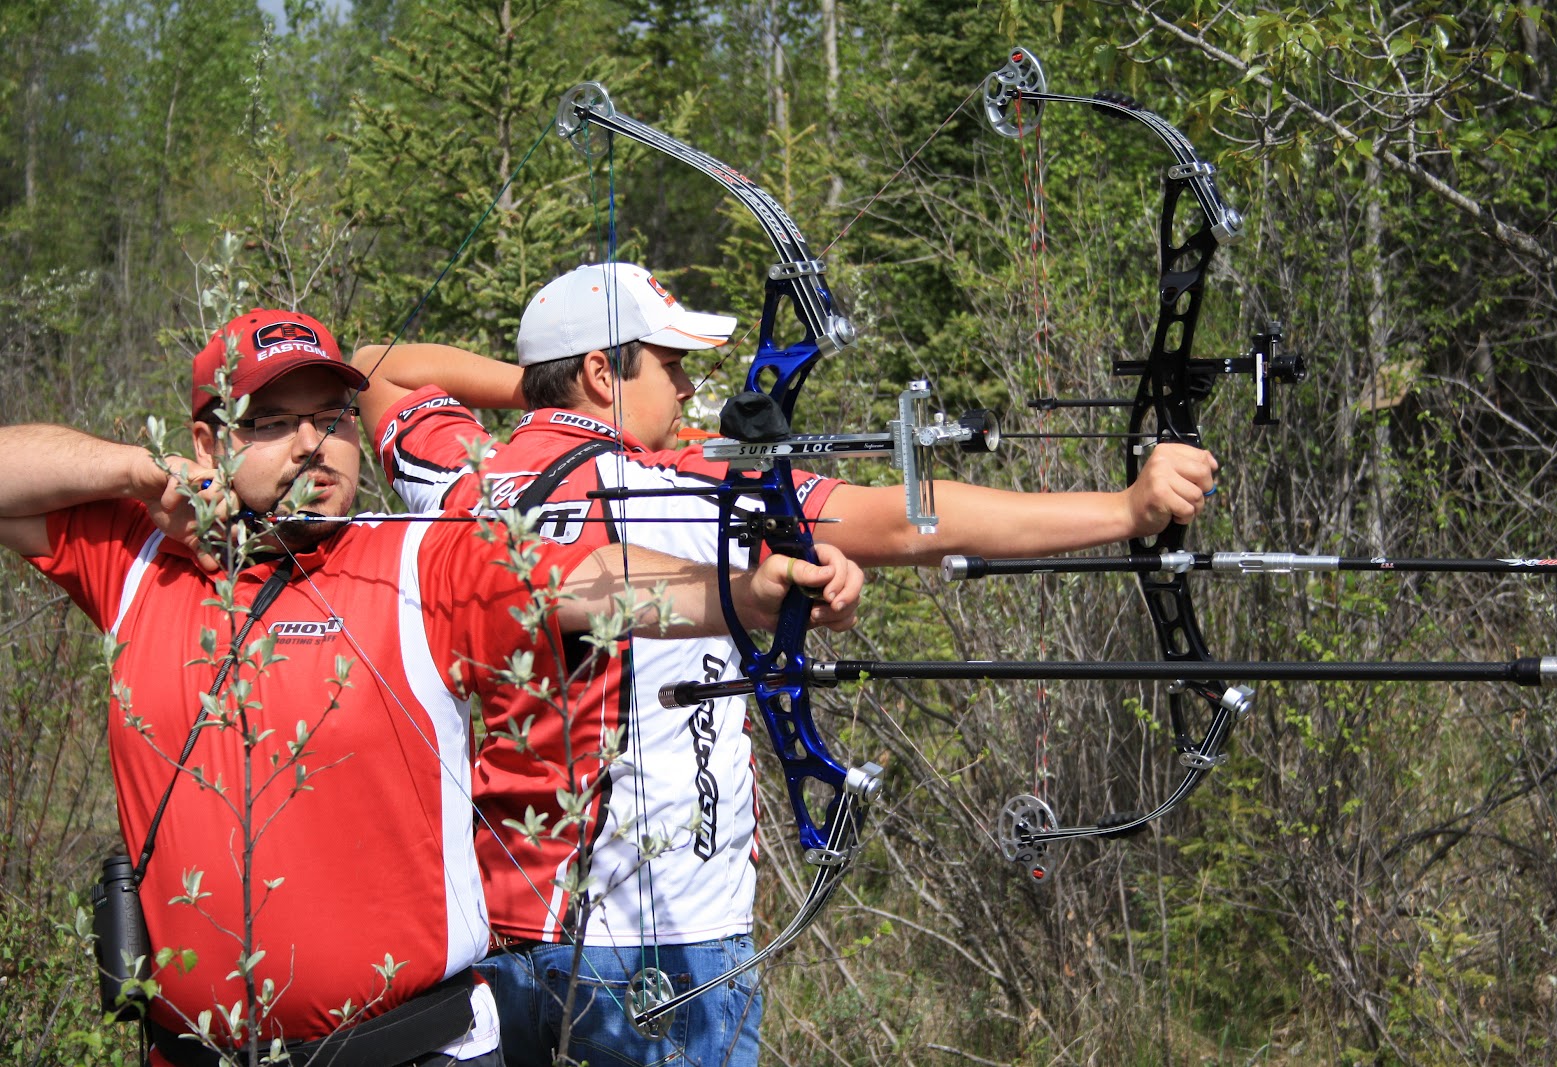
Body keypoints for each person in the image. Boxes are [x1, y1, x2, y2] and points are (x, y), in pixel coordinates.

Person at [354, 262, 1222, 1067]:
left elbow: (375, 368)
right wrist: (1128, 508)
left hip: (499, 932)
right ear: (600, 370)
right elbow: (913, 521)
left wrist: (543, 393)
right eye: (669, 365)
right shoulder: (675, 487)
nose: (687, 388)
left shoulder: (465, 483)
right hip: (661, 946)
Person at [0, 307, 860, 1067]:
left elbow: (585, 580)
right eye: (273, 422)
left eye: (333, 417)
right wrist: (138, 474)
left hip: (413, 1048)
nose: (313, 444)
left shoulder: (417, 558)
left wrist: (747, 593)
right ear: (208, 443)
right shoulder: (141, 563)